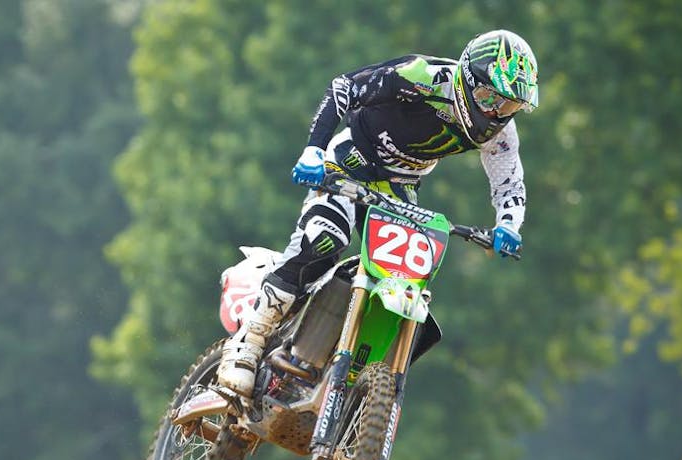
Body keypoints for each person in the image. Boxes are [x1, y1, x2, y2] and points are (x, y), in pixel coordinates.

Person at [218, 30, 539, 395]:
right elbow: (344, 87)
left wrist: (509, 225)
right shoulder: (422, 76)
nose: (496, 113)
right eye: (489, 98)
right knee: (325, 239)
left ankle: (336, 370)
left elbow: (509, 181)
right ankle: (248, 341)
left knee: (404, 277)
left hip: (400, 185)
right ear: (467, 79)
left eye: (509, 107)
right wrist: (313, 150)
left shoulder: (501, 134)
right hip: (350, 161)